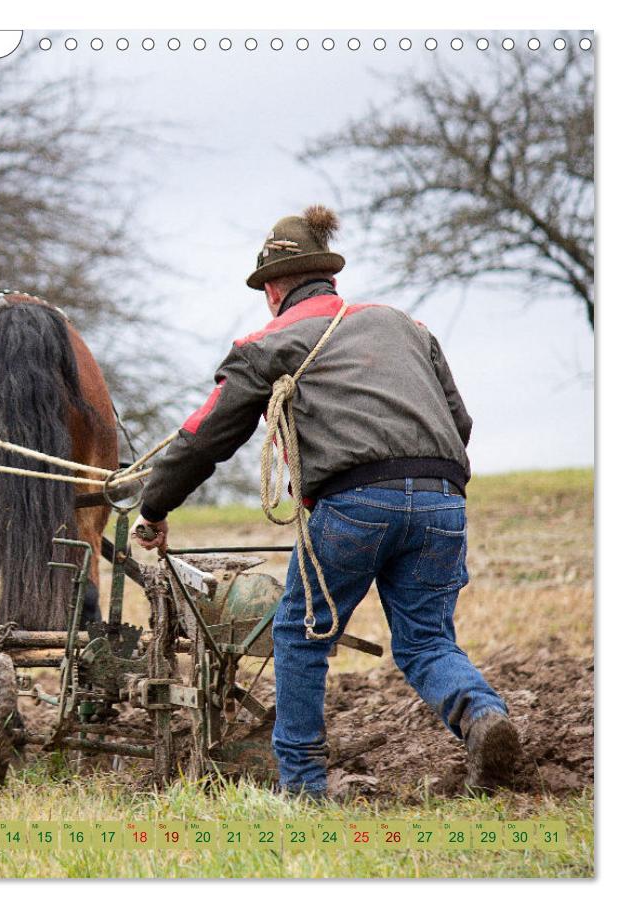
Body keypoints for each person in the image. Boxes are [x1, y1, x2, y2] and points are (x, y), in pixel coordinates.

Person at [132, 205, 522, 797]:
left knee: (300, 634)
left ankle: (303, 785)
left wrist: (155, 507)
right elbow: (458, 421)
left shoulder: (268, 343)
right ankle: (481, 717)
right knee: (425, 642)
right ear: (328, 277)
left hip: (352, 505)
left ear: (271, 289)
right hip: (445, 499)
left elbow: (205, 435)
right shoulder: (406, 327)